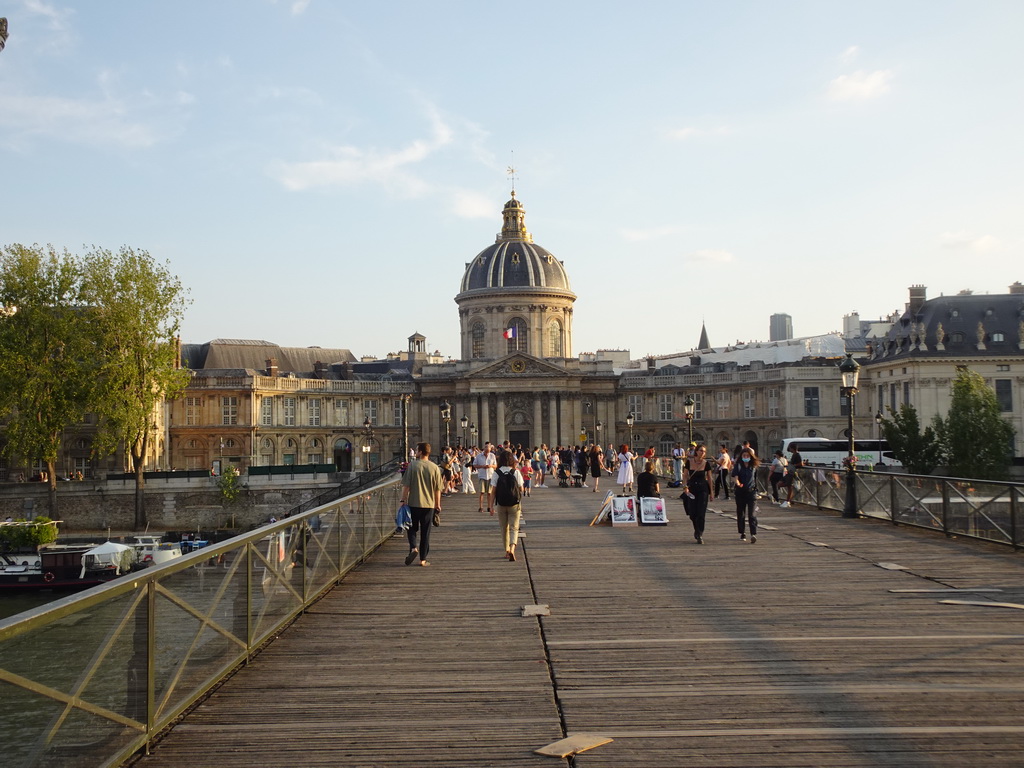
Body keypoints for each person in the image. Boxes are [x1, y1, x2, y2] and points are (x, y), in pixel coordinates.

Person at [400, 442, 443, 566]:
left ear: (420, 452)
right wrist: (438, 504)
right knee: (426, 532)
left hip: (413, 503)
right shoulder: (435, 468)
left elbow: (406, 486)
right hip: (429, 505)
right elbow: (437, 489)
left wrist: (403, 500)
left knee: (411, 528)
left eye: (417, 450)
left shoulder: (412, 466)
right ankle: (423, 559)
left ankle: (413, 548)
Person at [489, 451, 525, 561]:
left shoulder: (497, 473)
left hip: (501, 503)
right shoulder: (516, 472)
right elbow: (521, 489)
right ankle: (512, 549)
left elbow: (493, 491)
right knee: (514, 528)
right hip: (514, 504)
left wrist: (491, 506)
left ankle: (507, 551)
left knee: (504, 528)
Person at [683, 444, 714, 544]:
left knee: (701, 512)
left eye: (704, 451)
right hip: (692, 489)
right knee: (692, 513)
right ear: (696, 451)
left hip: (703, 489)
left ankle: (700, 533)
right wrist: (685, 487)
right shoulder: (689, 462)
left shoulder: (706, 463)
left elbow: (709, 478)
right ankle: (696, 529)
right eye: (701, 450)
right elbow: (685, 476)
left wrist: (711, 492)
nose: (703, 453)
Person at [731, 447, 760, 542]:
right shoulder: (738, 466)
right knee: (741, 513)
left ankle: (753, 533)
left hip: (751, 492)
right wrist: (737, 483)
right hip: (740, 492)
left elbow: (756, 479)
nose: (746, 457)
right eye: (744, 455)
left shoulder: (754, 466)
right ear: (741, 456)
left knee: (752, 514)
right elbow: (735, 477)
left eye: (747, 455)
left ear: (751, 457)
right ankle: (742, 533)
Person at [473, 442, 497, 512]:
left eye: (488, 447)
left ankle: (489, 507)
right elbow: (474, 465)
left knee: (490, 493)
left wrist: (490, 466)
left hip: (490, 476)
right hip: (482, 476)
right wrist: (482, 466)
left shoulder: (492, 456)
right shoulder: (479, 456)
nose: (487, 448)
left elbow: (495, 466)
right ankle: (481, 507)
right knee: (481, 492)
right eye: (486, 447)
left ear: (490, 448)